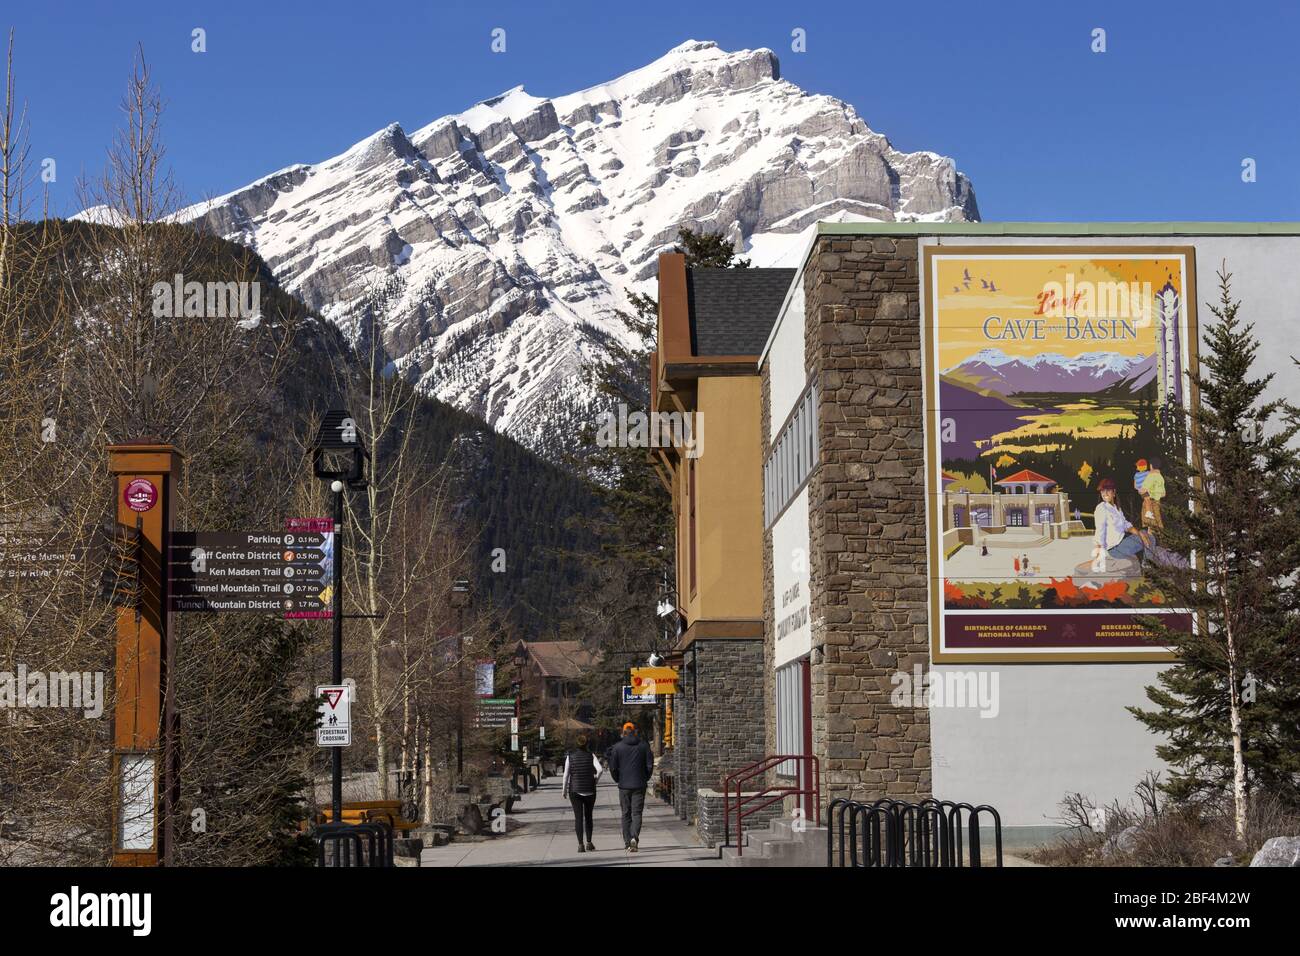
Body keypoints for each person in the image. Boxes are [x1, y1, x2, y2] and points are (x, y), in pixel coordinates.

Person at [606, 721, 653, 852]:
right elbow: (649, 765)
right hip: (639, 784)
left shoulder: (617, 747)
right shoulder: (644, 746)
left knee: (626, 814)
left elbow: (613, 767)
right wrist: (645, 778)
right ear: (634, 731)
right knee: (637, 813)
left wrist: (618, 779)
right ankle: (634, 837)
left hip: (624, 785)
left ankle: (627, 842)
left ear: (624, 732)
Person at [561, 734, 603, 853]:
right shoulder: (591, 755)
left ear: (577, 743)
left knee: (578, 818)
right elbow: (600, 770)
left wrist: (564, 790)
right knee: (588, 816)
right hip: (590, 789)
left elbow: (566, 775)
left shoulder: (570, 757)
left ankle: (580, 845)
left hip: (575, 790)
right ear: (586, 743)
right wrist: (595, 780)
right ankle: (589, 842)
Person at [1093, 477, 1149, 563]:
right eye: (1102, 491)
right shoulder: (1101, 508)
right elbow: (1100, 531)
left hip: (1122, 543)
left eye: (1108, 490)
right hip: (1115, 549)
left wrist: (1140, 534)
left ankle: (1146, 562)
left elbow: (1127, 526)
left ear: (1114, 492)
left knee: (1145, 534)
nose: (1105, 493)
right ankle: (1148, 563)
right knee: (1147, 539)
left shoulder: (1116, 509)